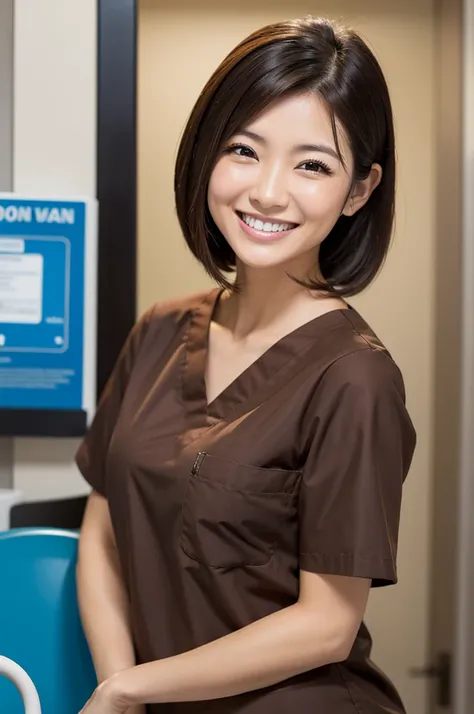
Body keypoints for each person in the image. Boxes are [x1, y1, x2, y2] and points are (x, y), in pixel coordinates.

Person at [76, 15, 417, 714]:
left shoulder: (354, 378)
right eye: (243, 149)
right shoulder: (160, 331)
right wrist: (120, 691)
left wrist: (134, 684)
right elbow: (103, 536)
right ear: (207, 154)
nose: (267, 191)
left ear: (358, 190)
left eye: (312, 164)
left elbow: (327, 624)